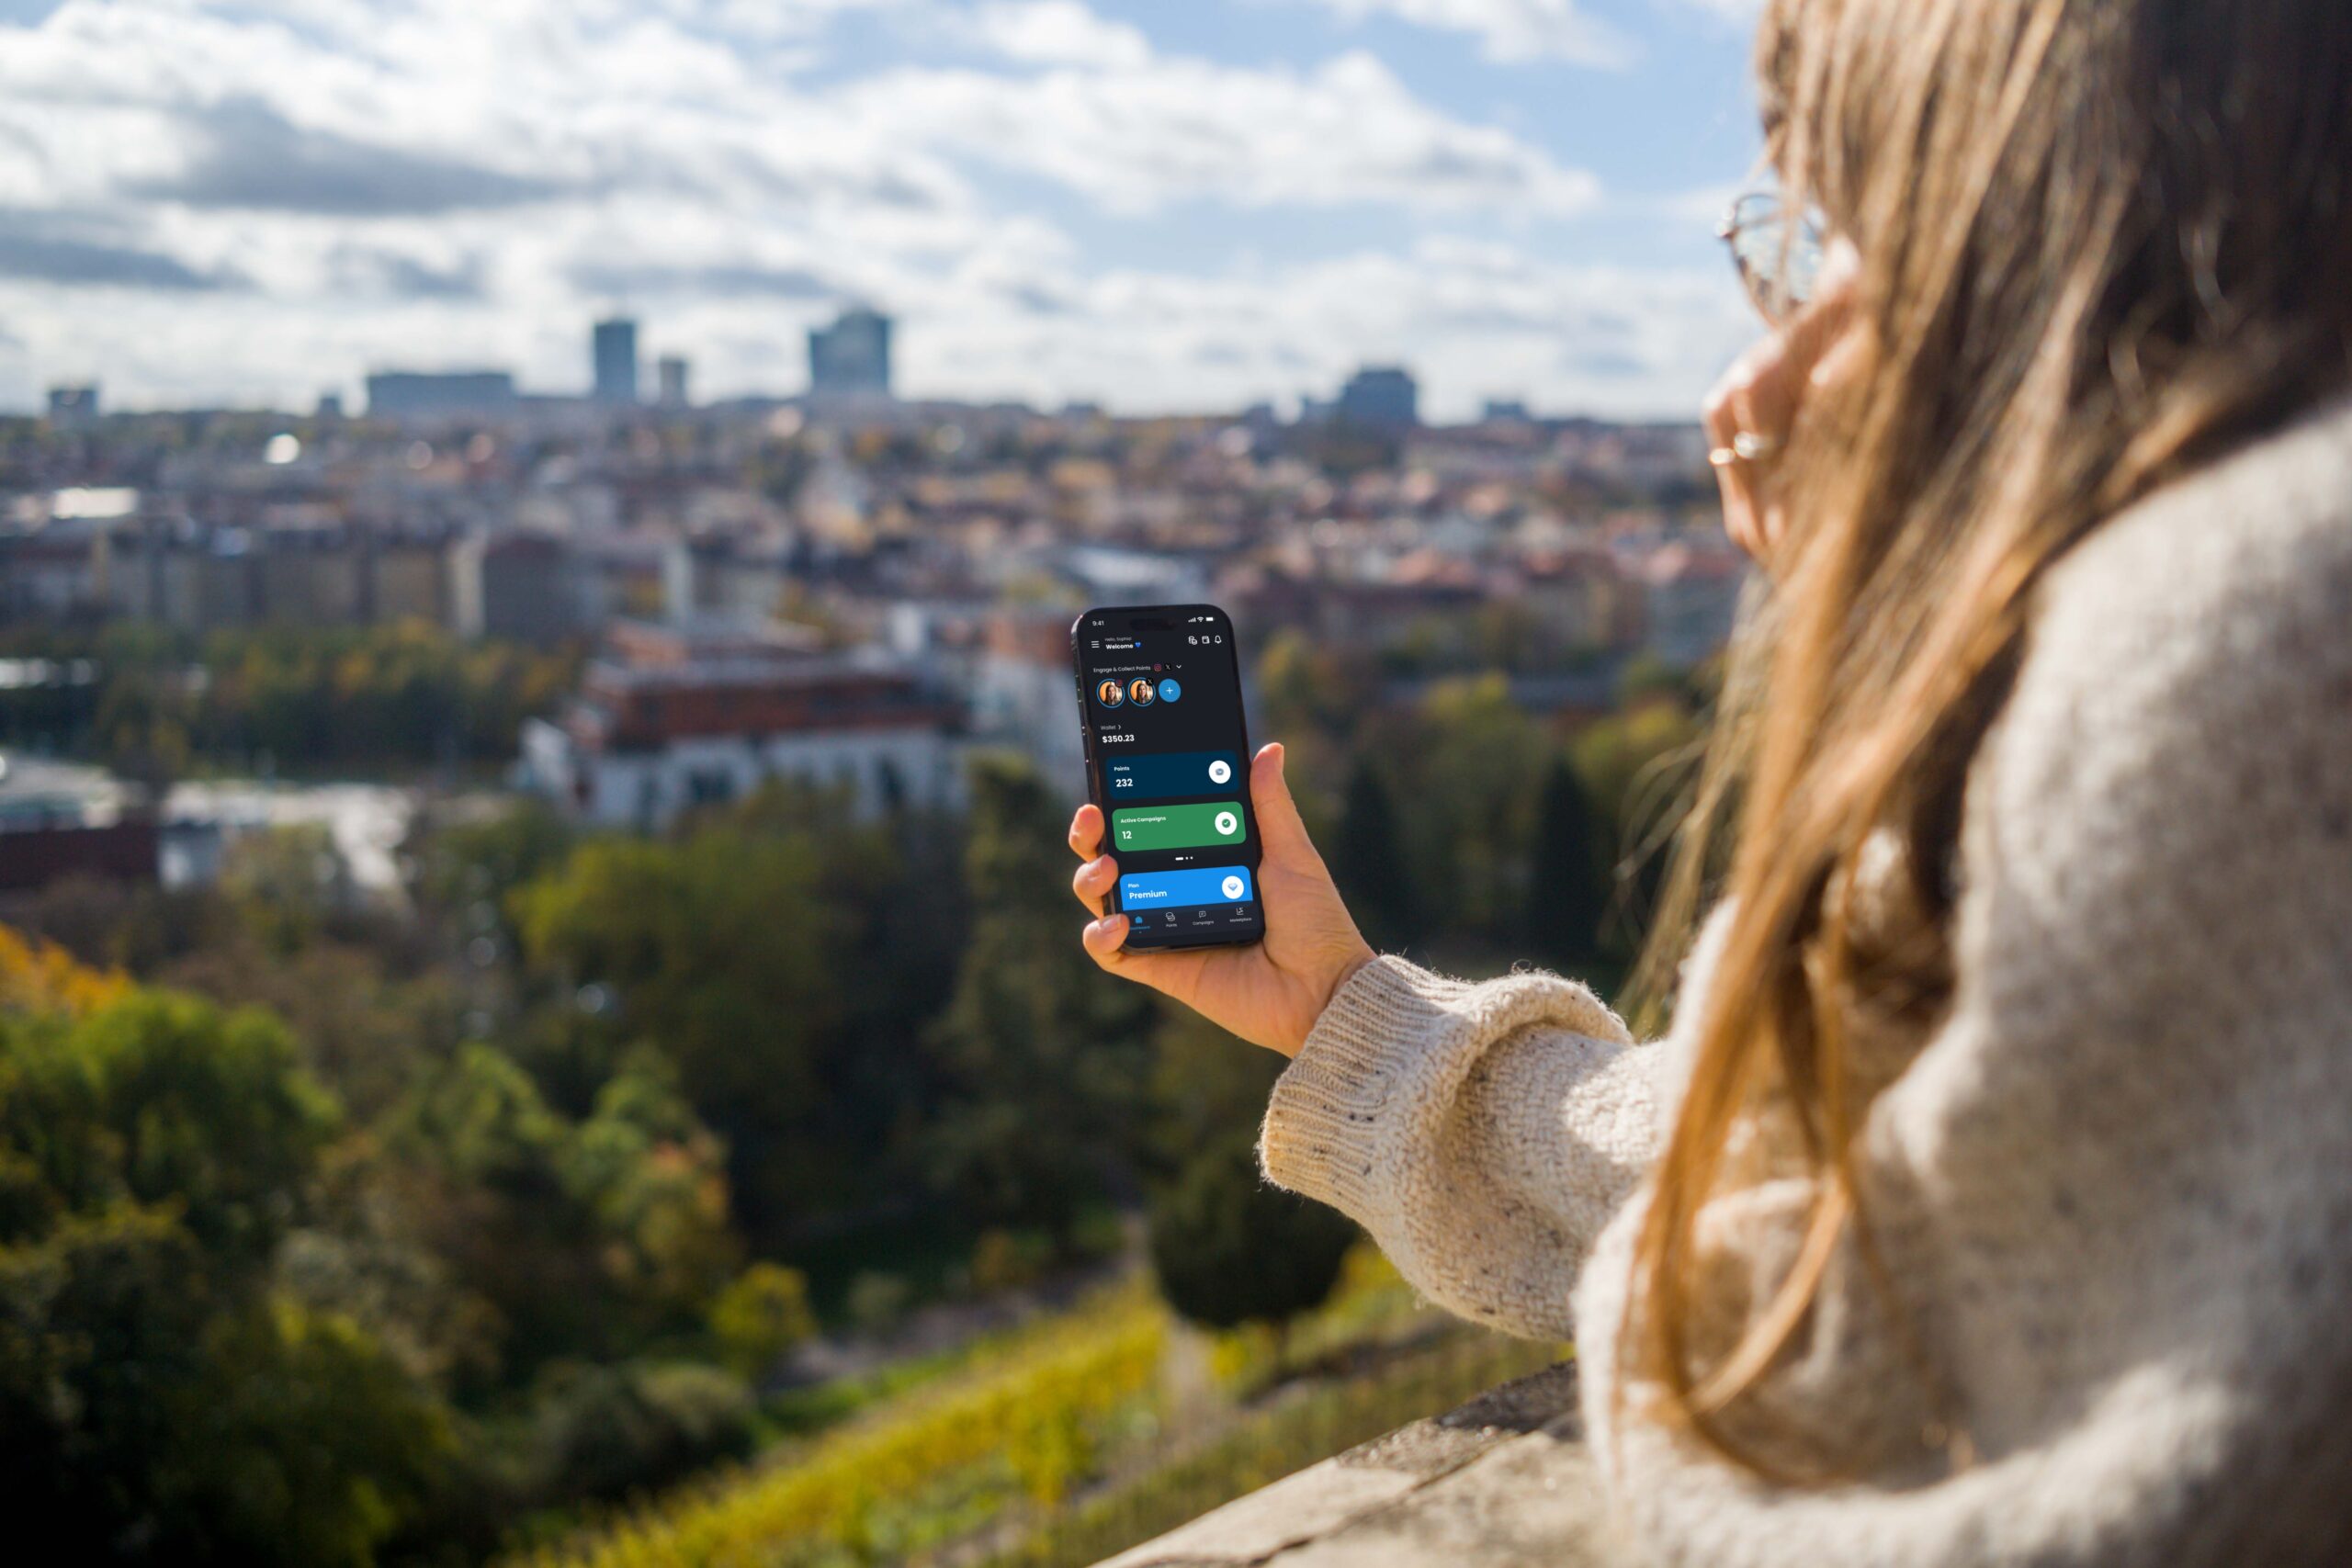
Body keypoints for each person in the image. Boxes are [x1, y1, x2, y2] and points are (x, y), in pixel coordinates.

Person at [1068, 0, 2352, 1561]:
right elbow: (1838, 1168)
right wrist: (1356, 1018)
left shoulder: (2263, 626)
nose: (1765, 364)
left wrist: (1887, 616)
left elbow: (1827, 1388)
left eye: (1846, 231)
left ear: (2065, 229)